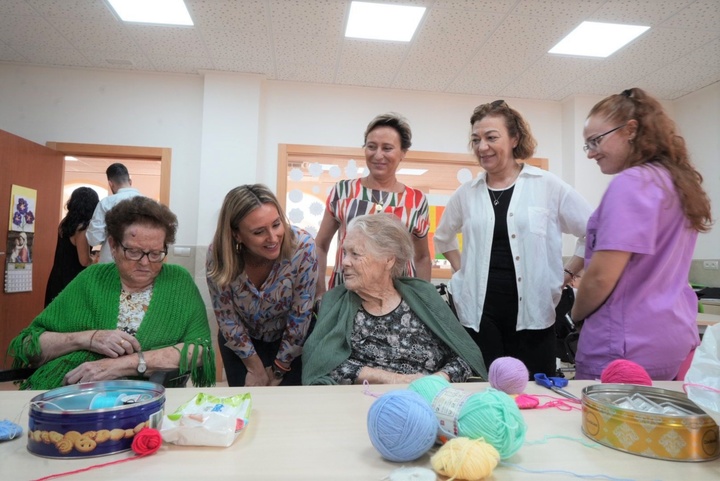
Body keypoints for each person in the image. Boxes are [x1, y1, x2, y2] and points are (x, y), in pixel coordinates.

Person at [434, 100, 592, 377]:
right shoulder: (466, 193)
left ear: (515, 138)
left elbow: (593, 232)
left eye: (491, 137)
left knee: (534, 391)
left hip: (534, 314)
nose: (482, 146)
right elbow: (443, 238)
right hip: (479, 316)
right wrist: (464, 273)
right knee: (485, 390)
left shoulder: (546, 185)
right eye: (476, 139)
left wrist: (568, 273)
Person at [571, 88, 712, 381]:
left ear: (630, 130)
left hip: (625, 346)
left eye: (596, 141)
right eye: (587, 145)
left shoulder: (632, 183)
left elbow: (600, 278)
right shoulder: (676, 183)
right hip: (672, 338)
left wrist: (574, 315)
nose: (591, 153)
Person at [9, 196, 215, 390]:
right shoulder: (92, 279)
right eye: (133, 251)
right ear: (113, 246)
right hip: (72, 390)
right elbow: (29, 345)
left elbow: (199, 350)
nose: (145, 262)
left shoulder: (178, 281)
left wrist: (124, 365)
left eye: (155, 253)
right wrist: (90, 338)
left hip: (144, 395)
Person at [303, 214, 486, 385]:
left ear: (389, 260)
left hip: (430, 399)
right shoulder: (335, 302)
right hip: (363, 402)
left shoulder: (423, 296)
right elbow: (321, 364)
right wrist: (392, 379)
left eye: (355, 254)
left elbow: (464, 357)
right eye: (345, 253)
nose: (345, 262)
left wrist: (435, 381)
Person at [206, 184, 317, 387]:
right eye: (259, 232)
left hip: (291, 341)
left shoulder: (302, 247)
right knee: (246, 405)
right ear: (236, 235)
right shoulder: (219, 255)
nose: (273, 238)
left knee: (288, 408)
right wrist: (254, 367)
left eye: (276, 224)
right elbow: (226, 317)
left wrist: (279, 367)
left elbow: (301, 313)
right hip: (241, 343)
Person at [314, 113, 431, 299]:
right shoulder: (343, 191)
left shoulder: (416, 201)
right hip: (345, 295)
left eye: (387, 148)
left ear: (402, 153)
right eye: (371, 147)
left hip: (398, 300)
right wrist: (319, 292)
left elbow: (422, 257)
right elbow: (320, 245)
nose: (378, 155)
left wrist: (424, 299)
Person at [44, 187, 99, 307]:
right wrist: (96, 259)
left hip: (57, 276)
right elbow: (84, 261)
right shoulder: (82, 228)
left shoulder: (64, 223)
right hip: (73, 281)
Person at [86, 162, 142, 263]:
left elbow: (94, 239)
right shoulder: (149, 203)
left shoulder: (106, 203)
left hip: (111, 261)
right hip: (140, 260)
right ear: (130, 181)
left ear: (110, 183)